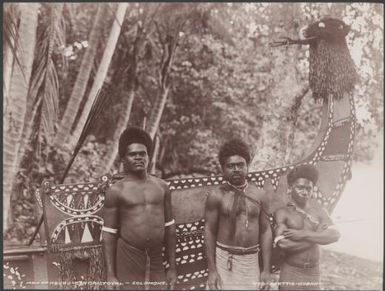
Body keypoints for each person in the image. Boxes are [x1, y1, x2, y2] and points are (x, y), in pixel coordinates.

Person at [101, 127, 177, 290]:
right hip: (128, 256)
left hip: (156, 256)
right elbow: (108, 234)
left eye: (142, 153)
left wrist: (172, 267)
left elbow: (170, 228)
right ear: (123, 160)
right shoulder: (116, 191)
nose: (138, 157)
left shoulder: (162, 187)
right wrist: (110, 274)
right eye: (132, 154)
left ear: (148, 157)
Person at [204, 138, 273, 290]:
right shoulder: (217, 195)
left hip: (251, 261)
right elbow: (209, 231)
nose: (236, 169)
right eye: (230, 166)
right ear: (223, 169)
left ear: (247, 166)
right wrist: (212, 270)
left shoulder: (260, 196)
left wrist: (267, 269)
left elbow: (266, 231)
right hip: (224, 260)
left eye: (240, 165)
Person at [273, 164, 340, 290]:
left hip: (314, 272)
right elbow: (283, 244)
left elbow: (335, 235)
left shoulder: (319, 210)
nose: (305, 192)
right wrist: (317, 235)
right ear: (290, 188)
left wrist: (303, 234)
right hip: (291, 272)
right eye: (300, 187)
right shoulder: (282, 213)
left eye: (309, 189)